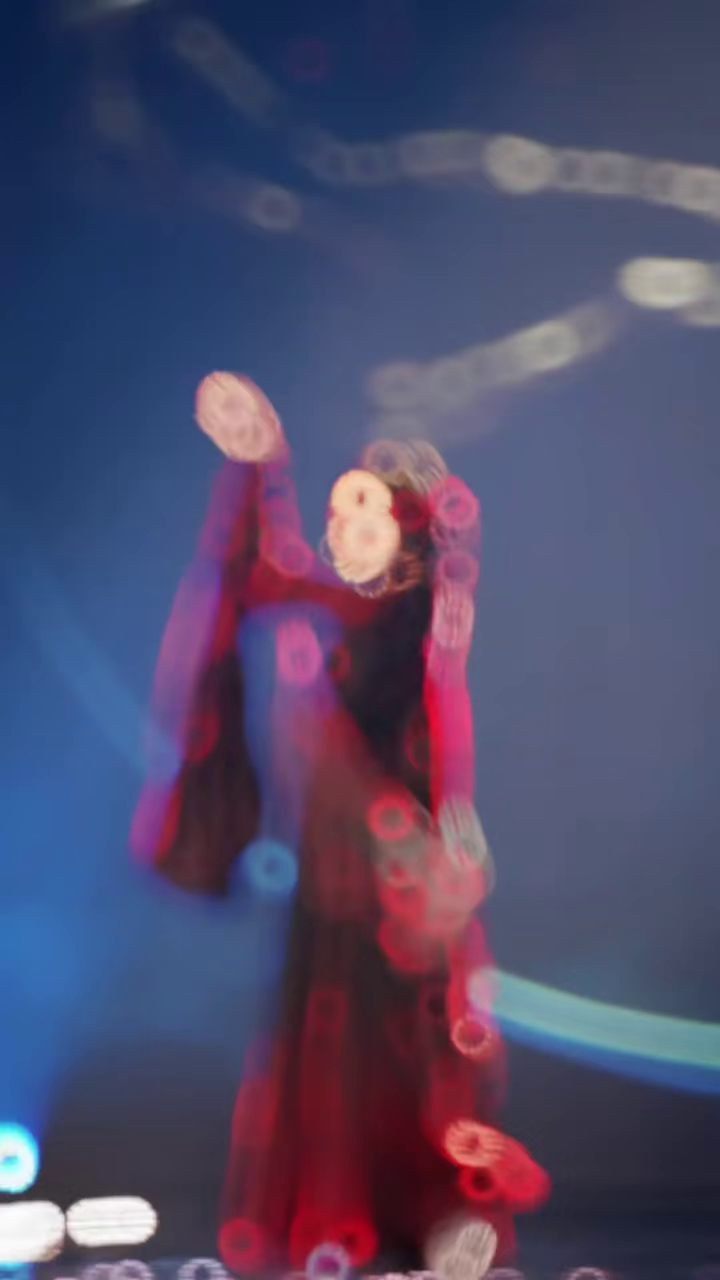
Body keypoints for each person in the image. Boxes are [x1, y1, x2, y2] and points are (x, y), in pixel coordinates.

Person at [131, 373, 549, 1280]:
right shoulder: (342, 613)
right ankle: (341, 1221)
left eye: (365, 512)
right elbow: (260, 577)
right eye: (338, 510)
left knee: (406, 1055)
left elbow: (435, 751)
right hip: (344, 882)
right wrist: (259, 466)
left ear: (406, 530)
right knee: (334, 1048)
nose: (343, 529)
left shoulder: (409, 613)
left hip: (399, 884)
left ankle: (416, 1220)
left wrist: (429, 851)